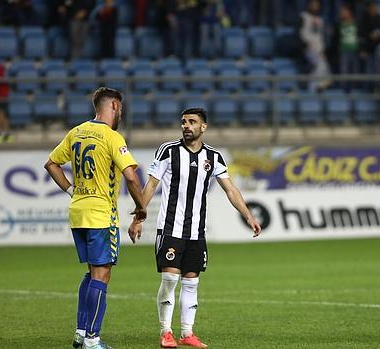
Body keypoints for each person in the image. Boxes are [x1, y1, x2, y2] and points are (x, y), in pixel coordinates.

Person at [128, 107, 261, 348]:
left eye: (192, 122)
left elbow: (230, 189)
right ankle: (166, 331)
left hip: (196, 231)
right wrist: (139, 217)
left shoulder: (214, 157)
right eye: (183, 122)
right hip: (170, 227)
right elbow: (151, 185)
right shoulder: (168, 151)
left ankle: (187, 333)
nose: (186, 126)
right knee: (169, 279)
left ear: (203, 127)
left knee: (191, 281)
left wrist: (248, 215)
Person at [44, 87, 147, 349]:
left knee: (91, 274)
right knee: (102, 275)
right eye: (120, 108)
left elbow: (51, 164)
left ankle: (81, 332)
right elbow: (132, 176)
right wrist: (141, 206)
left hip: (78, 212)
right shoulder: (112, 137)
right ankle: (92, 338)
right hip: (102, 214)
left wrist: (71, 191)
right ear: (113, 105)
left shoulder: (76, 132)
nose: (121, 112)